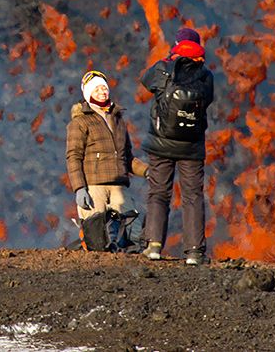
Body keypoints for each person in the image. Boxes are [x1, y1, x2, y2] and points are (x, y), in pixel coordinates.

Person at [140, 26, 215, 265]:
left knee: (159, 193)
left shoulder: (163, 68)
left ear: (176, 45)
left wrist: (168, 60)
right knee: (193, 196)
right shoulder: (205, 74)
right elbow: (208, 100)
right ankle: (194, 251)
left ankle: (153, 245)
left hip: (161, 142)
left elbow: (145, 81)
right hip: (191, 145)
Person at [66, 70, 148, 235]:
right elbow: (73, 157)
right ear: (88, 93)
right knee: (97, 237)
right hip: (93, 187)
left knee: (133, 232)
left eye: (104, 88)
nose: (102, 92)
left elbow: (127, 157)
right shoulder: (80, 122)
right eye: (96, 89)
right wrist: (79, 188)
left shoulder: (118, 120)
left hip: (119, 187)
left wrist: (148, 171)